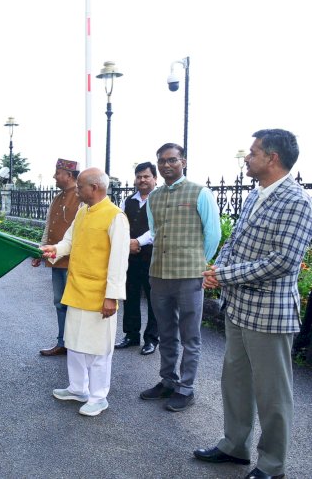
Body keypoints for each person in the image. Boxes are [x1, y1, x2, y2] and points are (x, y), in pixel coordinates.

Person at [195, 129, 312, 479]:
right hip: (239, 307)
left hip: (270, 315)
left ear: (272, 158)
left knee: (273, 395)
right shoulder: (254, 194)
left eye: (253, 151)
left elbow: (283, 261)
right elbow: (236, 241)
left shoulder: (297, 201)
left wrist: (225, 276)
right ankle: (235, 445)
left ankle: (272, 465)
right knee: (235, 382)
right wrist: (218, 269)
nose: (247, 157)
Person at [40, 168, 129, 417]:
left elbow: (119, 261)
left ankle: (99, 397)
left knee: (98, 348)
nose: (76, 190)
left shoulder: (115, 217)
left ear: (95, 188)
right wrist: (53, 250)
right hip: (77, 288)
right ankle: (78, 388)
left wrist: (112, 296)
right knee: (75, 343)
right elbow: (69, 241)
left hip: (100, 295)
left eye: (80, 187)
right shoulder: (82, 211)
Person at [140, 144, 221, 412]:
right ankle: (167, 380)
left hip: (189, 276)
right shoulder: (154, 196)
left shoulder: (200, 192)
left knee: (190, 335)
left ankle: (186, 388)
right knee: (165, 331)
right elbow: (154, 231)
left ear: (182, 161)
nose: (166, 165)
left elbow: (213, 234)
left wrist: (199, 263)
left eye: (172, 160)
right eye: (162, 161)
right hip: (159, 274)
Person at [33, 158, 80, 356]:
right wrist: (40, 251)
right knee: (59, 303)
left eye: (58, 173)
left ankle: (76, 345)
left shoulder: (80, 198)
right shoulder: (57, 198)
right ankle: (63, 342)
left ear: (69, 175)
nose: (54, 176)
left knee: (74, 305)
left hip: (73, 261)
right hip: (56, 260)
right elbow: (48, 227)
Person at [115, 162, 159, 355]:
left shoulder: (159, 199)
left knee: (153, 299)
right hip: (130, 257)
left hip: (153, 256)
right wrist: (127, 242)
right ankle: (131, 335)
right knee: (130, 296)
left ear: (155, 179)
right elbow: (119, 223)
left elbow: (159, 227)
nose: (142, 180)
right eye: (139, 176)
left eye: (146, 176)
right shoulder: (128, 201)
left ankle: (151, 339)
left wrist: (138, 242)